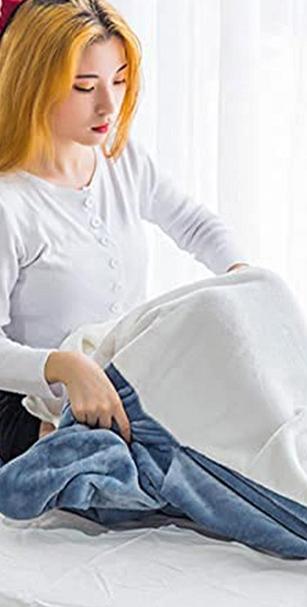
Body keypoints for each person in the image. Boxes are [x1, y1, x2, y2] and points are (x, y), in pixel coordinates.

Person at [0, 0, 249, 464]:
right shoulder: (10, 204)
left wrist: (243, 276)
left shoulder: (121, 159)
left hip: (122, 379)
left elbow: (194, 224)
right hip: (28, 400)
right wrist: (65, 366)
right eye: (84, 87)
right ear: (30, 84)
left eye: (119, 80)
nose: (109, 105)